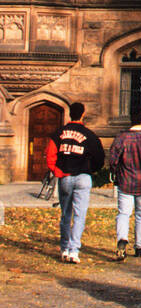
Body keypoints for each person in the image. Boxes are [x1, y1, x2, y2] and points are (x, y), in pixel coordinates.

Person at [46, 102, 105, 264]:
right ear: (83, 114)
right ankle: (74, 251)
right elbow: (99, 157)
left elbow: (50, 155)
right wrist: (91, 169)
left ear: (69, 113)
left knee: (66, 214)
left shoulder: (59, 133)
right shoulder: (90, 135)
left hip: (65, 176)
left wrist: (57, 171)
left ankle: (64, 248)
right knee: (80, 215)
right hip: (83, 177)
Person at [107, 109, 141, 259]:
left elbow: (113, 161)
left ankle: (122, 238)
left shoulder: (121, 138)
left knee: (123, 213)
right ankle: (139, 246)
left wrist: (117, 173)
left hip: (125, 181)